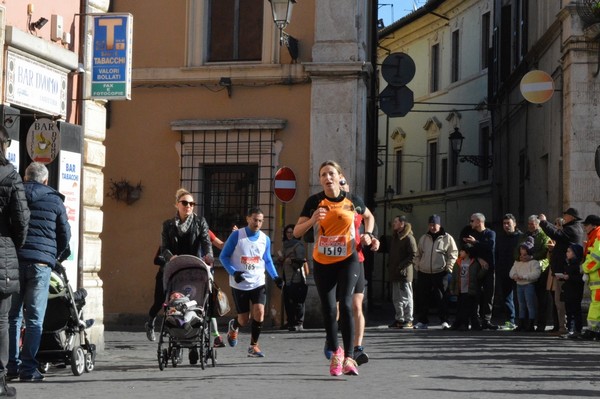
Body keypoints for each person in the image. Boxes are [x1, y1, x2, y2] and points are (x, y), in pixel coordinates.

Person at [293, 160, 374, 377]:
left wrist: (369, 233)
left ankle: (349, 357)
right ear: (320, 180)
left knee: (346, 305)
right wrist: (312, 220)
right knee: (329, 309)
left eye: (331, 174)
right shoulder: (314, 201)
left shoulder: (352, 200)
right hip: (322, 261)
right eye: (323, 175)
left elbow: (369, 216)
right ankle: (335, 351)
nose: (327, 178)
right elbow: (296, 232)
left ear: (339, 176)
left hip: (349, 259)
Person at [6, 162, 70, 383]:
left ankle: (10, 366)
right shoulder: (54, 200)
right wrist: (53, 257)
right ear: (45, 180)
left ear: (25, 177)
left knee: (12, 317)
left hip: (15, 261)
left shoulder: (15, 193)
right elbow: (65, 235)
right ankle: (29, 369)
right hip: (40, 265)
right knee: (34, 319)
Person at [146, 188, 213, 364]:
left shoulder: (200, 222)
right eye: (185, 203)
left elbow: (206, 242)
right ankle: (153, 323)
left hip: (193, 270)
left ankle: (192, 346)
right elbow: (164, 247)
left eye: (191, 203)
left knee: (193, 306)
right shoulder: (168, 225)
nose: (189, 206)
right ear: (177, 204)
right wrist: (171, 258)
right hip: (174, 269)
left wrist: (209, 256)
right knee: (163, 302)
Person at [220, 208, 283, 358]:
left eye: (260, 220)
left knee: (260, 312)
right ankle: (234, 326)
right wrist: (234, 272)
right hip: (240, 283)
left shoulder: (265, 239)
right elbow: (223, 256)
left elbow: (267, 260)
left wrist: (275, 277)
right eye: (255, 219)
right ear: (248, 219)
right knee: (244, 319)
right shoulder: (237, 236)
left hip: (258, 282)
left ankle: (253, 346)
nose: (257, 223)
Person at [0, 127, 29, 397]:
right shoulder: (9, 174)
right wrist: (13, 245)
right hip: (2, 253)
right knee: (1, 321)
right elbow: (21, 220)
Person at [339, 178, 378, 367]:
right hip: (335, 261)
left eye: (344, 182)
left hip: (357, 259)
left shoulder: (356, 203)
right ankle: (335, 343)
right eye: (339, 183)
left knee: (356, 305)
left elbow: (370, 218)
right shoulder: (328, 205)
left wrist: (370, 237)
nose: (342, 186)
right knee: (339, 307)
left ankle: (357, 348)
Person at [539, 208, 584, 335]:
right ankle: (562, 327)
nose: (564, 216)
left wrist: (544, 222)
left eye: (566, 215)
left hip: (564, 270)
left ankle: (564, 328)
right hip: (560, 269)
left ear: (572, 217)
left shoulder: (572, 229)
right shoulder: (570, 228)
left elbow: (556, 234)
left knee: (562, 302)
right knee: (559, 301)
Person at [414, 214, 458, 330]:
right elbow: (418, 254)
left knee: (442, 297)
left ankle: (444, 320)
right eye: (430, 225)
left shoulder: (447, 238)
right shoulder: (423, 238)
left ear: (439, 225)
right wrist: (417, 266)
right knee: (423, 298)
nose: (432, 227)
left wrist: (449, 267)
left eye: (434, 225)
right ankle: (422, 321)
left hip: (441, 272)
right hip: (424, 272)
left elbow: (453, 253)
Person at [462, 213, 497, 330]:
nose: (470, 223)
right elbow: (468, 250)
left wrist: (475, 243)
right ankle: (475, 320)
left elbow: (490, 246)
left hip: (489, 268)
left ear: (478, 221)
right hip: (476, 268)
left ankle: (486, 320)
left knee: (489, 294)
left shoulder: (490, 233)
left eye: (472, 221)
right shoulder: (471, 234)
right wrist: (479, 258)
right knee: (474, 294)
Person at [517, 215, 551, 332]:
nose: (530, 226)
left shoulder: (544, 235)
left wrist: (532, 257)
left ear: (538, 224)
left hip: (540, 270)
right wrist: (520, 257)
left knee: (541, 299)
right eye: (529, 224)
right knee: (524, 300)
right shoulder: (524, 235)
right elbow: (517, 249)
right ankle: (524, 323)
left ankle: (540, 324)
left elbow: (545, 252)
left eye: (533, 224)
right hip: (525, 271)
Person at [276, 224, 309, 332]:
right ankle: (290, 322)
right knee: (288, 301)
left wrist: (292, 261)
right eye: (288, 232)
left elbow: (302, 260)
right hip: (286, 277)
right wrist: (280, 259)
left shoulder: (298, 245)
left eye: (291, 232)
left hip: (297, 276)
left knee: (298, 301)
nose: (289, 234)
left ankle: (299, 323)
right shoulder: (285, 245)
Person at [387, 215, 417, 329]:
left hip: (404, 274)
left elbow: (413, 255)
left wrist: (401, 266)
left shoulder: (409, 238)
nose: (393, 224)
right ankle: (400, 319)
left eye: (395, 221)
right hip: (395, 273)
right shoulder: (395, 237)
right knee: (396, 298)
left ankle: (409, 320)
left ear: (402, 224)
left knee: (406, 297)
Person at [494, 213, 523, 330]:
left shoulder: (521, 237)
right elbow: (496, 254)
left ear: (514, 224)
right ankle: (510, 321)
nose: (506, 226)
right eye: (504, 223)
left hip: (519, 271)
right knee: (506, 297)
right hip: (504, 271)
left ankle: (522, 321)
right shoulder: (500, 238)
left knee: (520, 297)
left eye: (508, 223)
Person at [449, 244, 485, 331]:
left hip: (470, 289)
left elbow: (478, 276)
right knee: (460, 307)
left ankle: (468, 324)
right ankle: (461, 323)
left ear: (468, 253)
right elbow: (454, 276)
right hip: (460, 288)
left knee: (469, 308)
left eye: (462, 251)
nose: (460, 252)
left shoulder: (474, 263)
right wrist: (452, 288)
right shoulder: (458, 262)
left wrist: (484, 269)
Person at [509, 237, 541, 332]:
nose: (522, 256)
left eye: (525, 253)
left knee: (530, 304)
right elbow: (511, 272)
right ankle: (521, 323)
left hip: (528, 285)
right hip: (519, 285)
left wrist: (524, 276)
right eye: (521, 253)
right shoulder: (517, 262)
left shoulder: (534, 262)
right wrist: (514, 276)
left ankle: (531, 324)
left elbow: (536, 274)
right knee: (521, 304)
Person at [579, 214, 600, 340]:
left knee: (596, 305)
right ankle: (594, 330)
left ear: (594, 225)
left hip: (598, 279)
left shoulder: (598, 236)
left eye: (586, 225)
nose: (584, 227)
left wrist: (584, 268)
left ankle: (593, 330)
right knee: (596, 305)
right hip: (596, 279)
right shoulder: (594, 236)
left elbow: (597, 258)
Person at [561, 243, 584, 339]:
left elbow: (580, 279)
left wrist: (569, 277)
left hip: (575, 292)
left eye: (569, 251)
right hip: (568, 291)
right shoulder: (568, 264)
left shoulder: (578, 265)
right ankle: (570, 329)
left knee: (575, 311)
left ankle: (577, 330)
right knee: (569, 311)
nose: (567, 253)